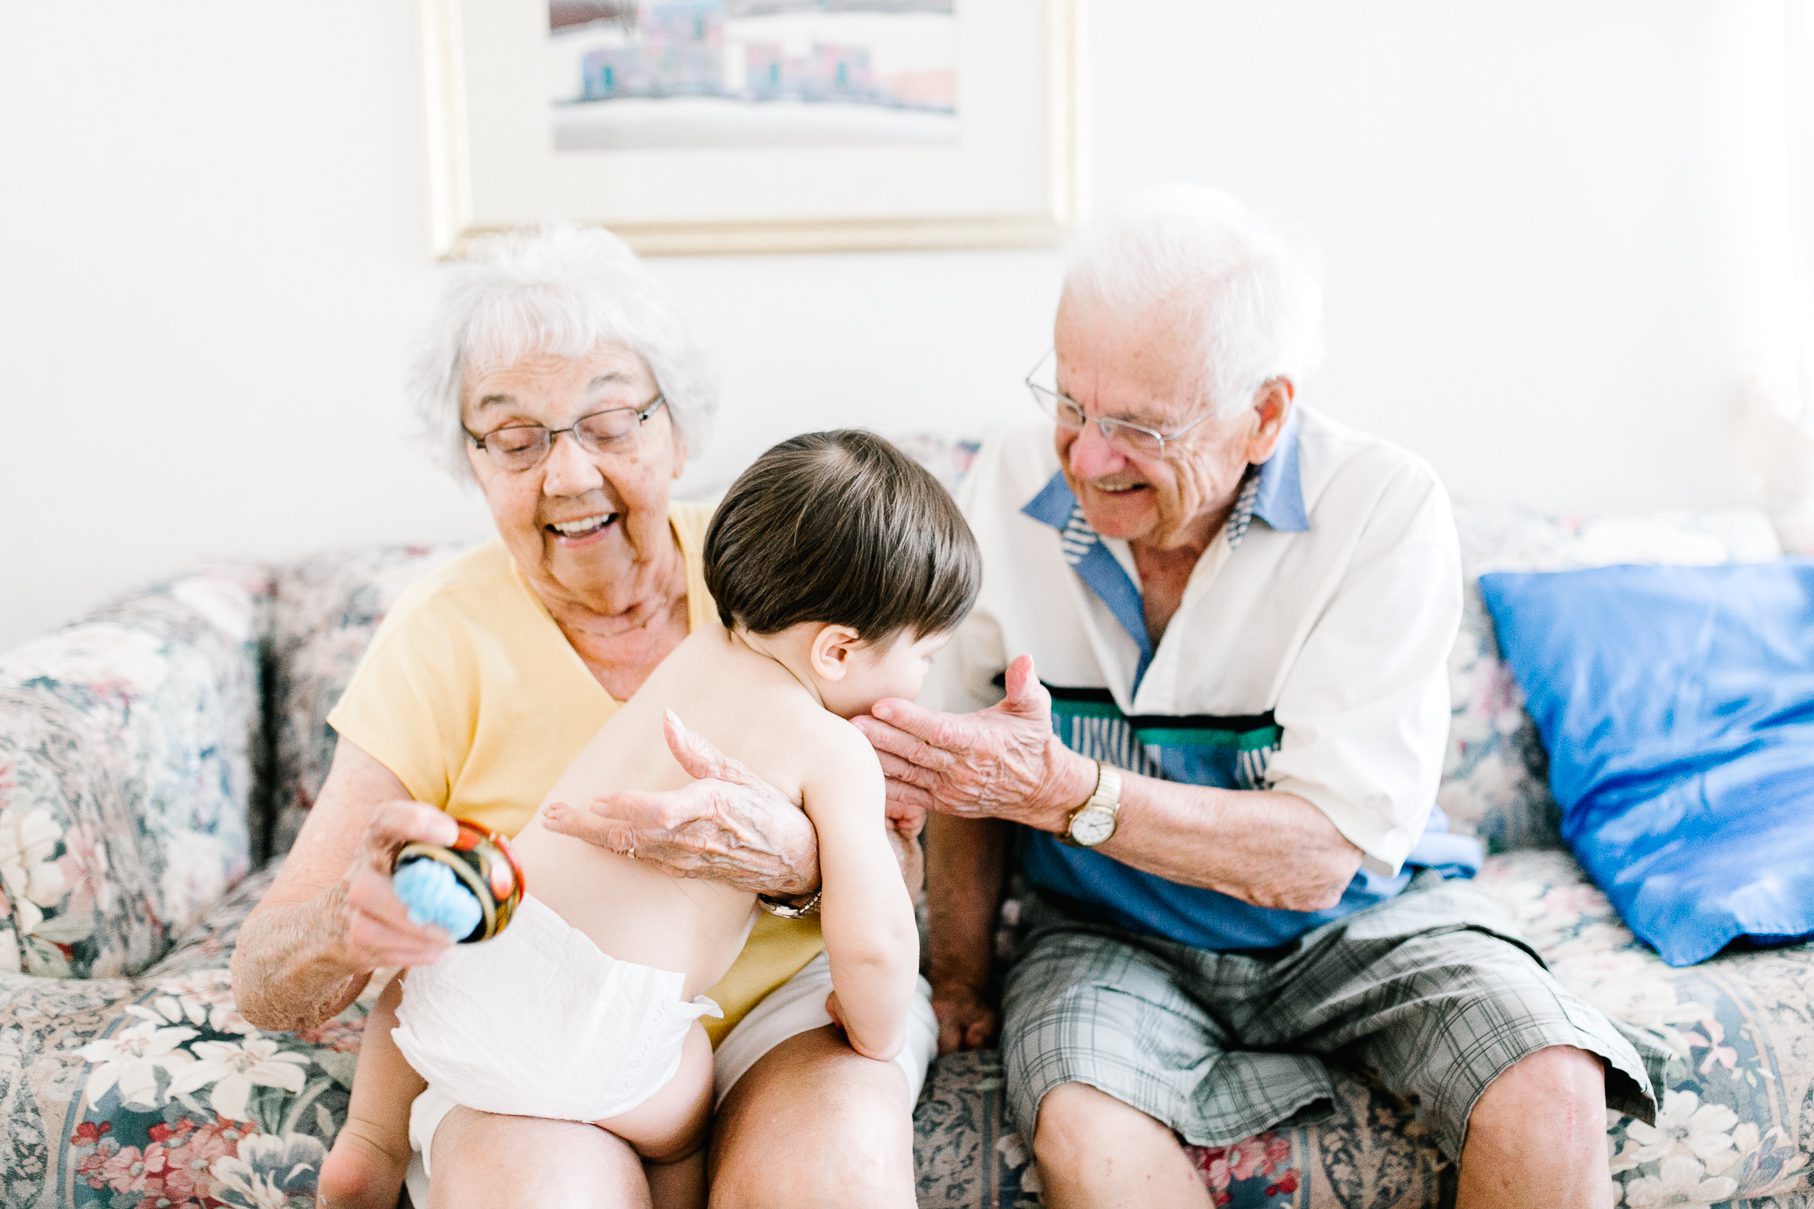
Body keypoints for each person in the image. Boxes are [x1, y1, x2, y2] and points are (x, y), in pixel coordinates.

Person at [854, 186, 1671, 1209]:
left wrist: (1070, 794)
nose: (1085, 457)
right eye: (1068, 402)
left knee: (1550, 1092)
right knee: (1087, 1141)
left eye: (1136, 427)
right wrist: (961, 975)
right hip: (1106, 930)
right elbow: (962, 768)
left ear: (1264, 413)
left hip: (1367, 920)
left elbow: (1315, 858)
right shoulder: (1007, 482)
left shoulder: (1380, 508)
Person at [228, 226, 939, 1209]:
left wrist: (796, 865)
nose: (566, 476)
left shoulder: (784, 567)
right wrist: (367, 915)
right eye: (515, 440)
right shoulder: (439, 635)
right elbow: (266, 979)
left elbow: (905, 865)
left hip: (790, 1013)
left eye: (609, 424)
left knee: (827, 1182)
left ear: (675, 433)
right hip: (546, 1049)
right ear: (471, 462)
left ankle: (379, 1140)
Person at [326, 428, 977, 1209]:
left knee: (413, 990)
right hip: (609, 1036)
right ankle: (677, 1185)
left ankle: (368, 1141)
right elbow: (873, 941)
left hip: (491, 957)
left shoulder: (696, 652)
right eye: (927, 654)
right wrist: (874, 1031)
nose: (924, 678)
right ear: (838, 651)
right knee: (683, 1097)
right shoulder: (837, 751)